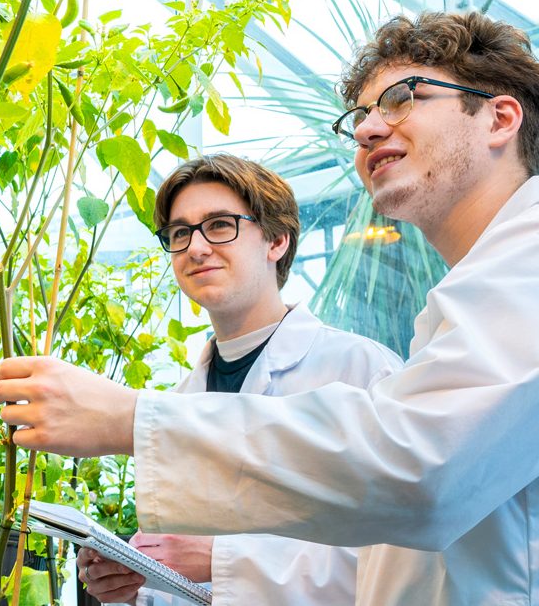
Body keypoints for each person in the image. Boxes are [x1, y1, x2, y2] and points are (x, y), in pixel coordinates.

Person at [0, 11, 539, 605]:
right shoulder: (471, 301)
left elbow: (417, 468)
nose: (366, 130)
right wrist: (153, 583)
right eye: (360, 116)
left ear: (500, 117)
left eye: (402, 98)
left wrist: (132, 420)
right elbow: (396, 557)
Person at [75, 155, 401, 605]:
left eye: (220, 225)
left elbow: (398, 561)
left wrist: (222, 559)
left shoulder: (361, 371)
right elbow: (188, 583)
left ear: (277, 241)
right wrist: (134, 589)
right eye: (180, 232)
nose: (196, 247)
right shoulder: (181, 401)